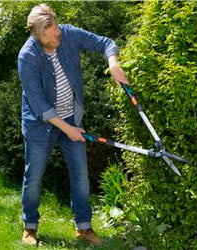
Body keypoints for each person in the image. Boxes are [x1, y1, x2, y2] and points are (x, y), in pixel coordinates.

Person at [17, 4, 128, 246]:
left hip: (71, 120)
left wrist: (113, 65)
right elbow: (40, 106)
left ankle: (84, 228)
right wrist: (69, 131)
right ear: (36, 35)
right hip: (40, 126)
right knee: (34, 177)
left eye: (56, 29)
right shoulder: (27, 57)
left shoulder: (67, 34)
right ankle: (30, 227)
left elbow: (105, 42)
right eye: (49, 34)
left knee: (80, 177)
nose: (55, 35)